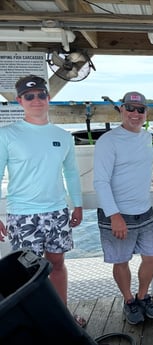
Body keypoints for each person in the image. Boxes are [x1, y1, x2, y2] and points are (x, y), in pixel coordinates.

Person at [0, 75, 86, 328]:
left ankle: (62, 317)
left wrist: (77, 203)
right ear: (19, 101)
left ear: (48, 98)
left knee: (57, 264)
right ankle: (35, 323)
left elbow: (70, 172)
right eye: (29, 96)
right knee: (26, 273)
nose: (36, 100)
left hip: (57, 212)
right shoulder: (6, 135)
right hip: (22, 215)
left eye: (40, 95)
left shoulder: (63, 136)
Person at [93, 91, 153, 325]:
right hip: (118, 214)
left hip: (145, 210)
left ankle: (143, 296)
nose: (135, 114)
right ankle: (129, 300)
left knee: (151, 257)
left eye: (140, 109)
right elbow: (100, 181)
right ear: (121, 110)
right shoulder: (108, 141)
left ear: (146, 113)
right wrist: (114, 216)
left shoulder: (147, 137)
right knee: (121, 261)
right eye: (129, 109)